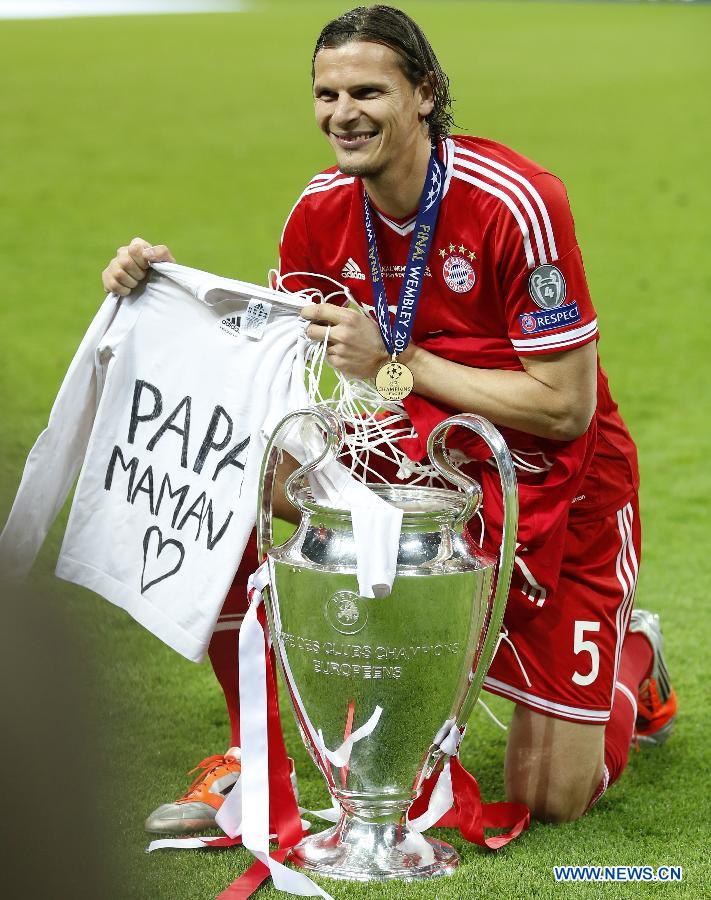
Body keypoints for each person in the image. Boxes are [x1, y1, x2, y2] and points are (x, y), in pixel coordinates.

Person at [102, 5, 676, 832]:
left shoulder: (516, 201)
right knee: (239, 470)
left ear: (424, 95)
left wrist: (395, 366)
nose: (344, 113)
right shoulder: (319, 210)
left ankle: (636, 654)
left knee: (551, 796)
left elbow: (564, 406)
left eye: (367, 90)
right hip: (413, 459)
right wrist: (156, 288)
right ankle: (243, 758)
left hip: (555, 484)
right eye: (326, 94)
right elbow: (274, 350)